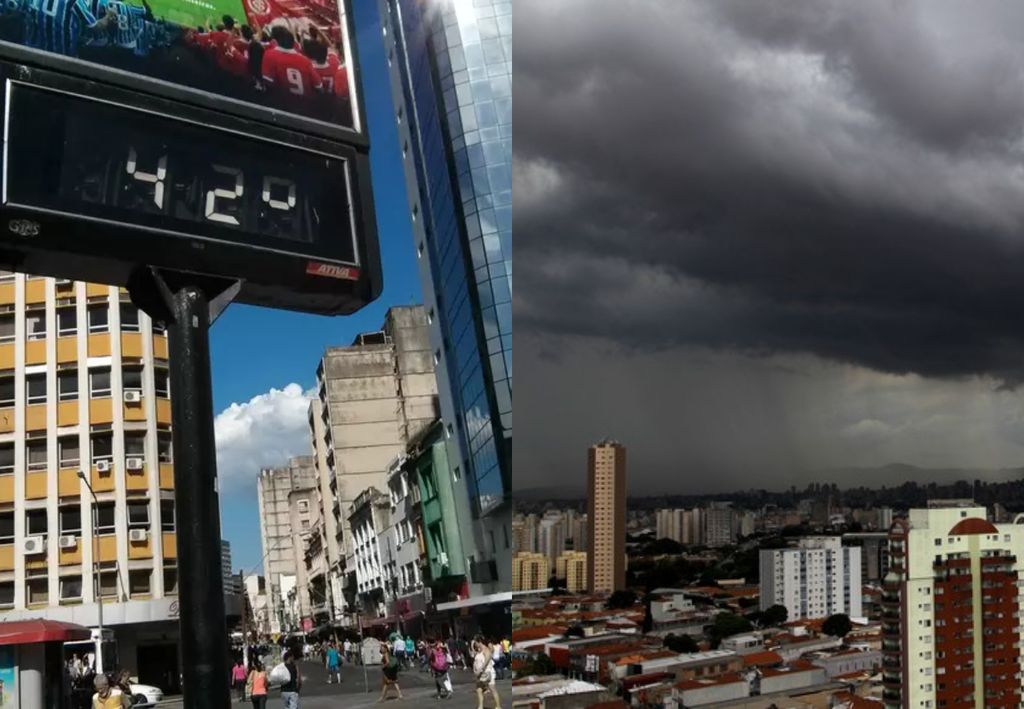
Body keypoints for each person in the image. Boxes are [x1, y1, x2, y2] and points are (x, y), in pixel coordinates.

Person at [472, 637, 501, 709]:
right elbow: (473, 655)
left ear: (479, 642)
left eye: (475, 643)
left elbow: (486, 661)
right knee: (479, 689)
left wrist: (481, 670)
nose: (475, 644)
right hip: (480, 674)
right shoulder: (479, 651)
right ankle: (480, 706)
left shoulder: (486, 650)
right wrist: (472, 646)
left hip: (487, 672)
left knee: (492, 688)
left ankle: (498, 706)